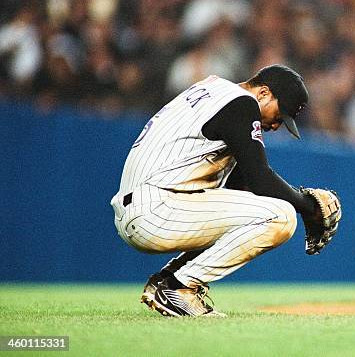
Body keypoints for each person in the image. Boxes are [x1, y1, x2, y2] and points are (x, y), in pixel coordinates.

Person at [110, 64, 340, 317]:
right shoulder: (242, 104)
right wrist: (309, 208)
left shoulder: (214, 91)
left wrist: (302, 203)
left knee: (253, 212)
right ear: (263, 93)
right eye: (280, 114)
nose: (276, 125)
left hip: (145, 206)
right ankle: (178, 288)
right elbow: (261, 178)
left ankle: (167, 281)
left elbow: (245, 185)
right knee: (281, 216)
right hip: (156, 209)